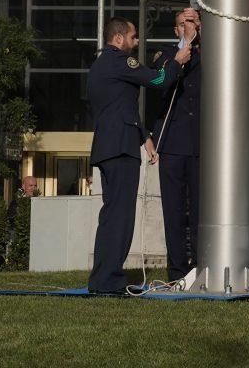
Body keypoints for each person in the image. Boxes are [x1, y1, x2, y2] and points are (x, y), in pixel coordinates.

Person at [86, 16, 189, 295]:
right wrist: (177, 60)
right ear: (118, 38)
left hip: (108, 146)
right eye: (133, 37)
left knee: (111, 216)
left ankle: (102, 279)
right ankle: (109, 280)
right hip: (120, 148)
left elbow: (119, 106)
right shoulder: (120, 61)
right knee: (120, 217)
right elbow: (158, 79)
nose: (136, 41)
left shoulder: (100, 64)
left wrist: (144, 136)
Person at [151, 6, 202, 282]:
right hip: (172, 143)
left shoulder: (209, 54)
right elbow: (160, 81)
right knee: (173, 210)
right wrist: (183, 50)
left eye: (193, 22)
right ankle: (177, 271)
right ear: (176, 30)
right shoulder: (166, 53)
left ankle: (202, 267)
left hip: (201, 144)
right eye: (184, 23)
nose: (189, 27)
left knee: (201, 210)